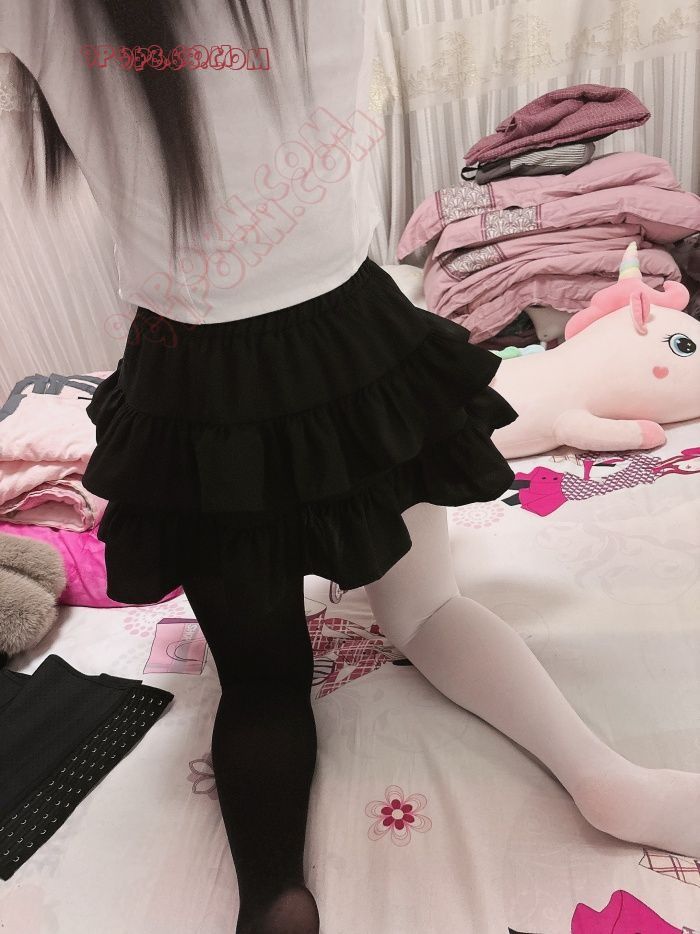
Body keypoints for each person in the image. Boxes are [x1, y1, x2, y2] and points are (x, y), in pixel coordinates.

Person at [2, 2, 698, 932]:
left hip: (193, 385)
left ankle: (271, 901)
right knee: (432, 610)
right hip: (353, 346)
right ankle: (606, 780)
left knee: (260, 682)